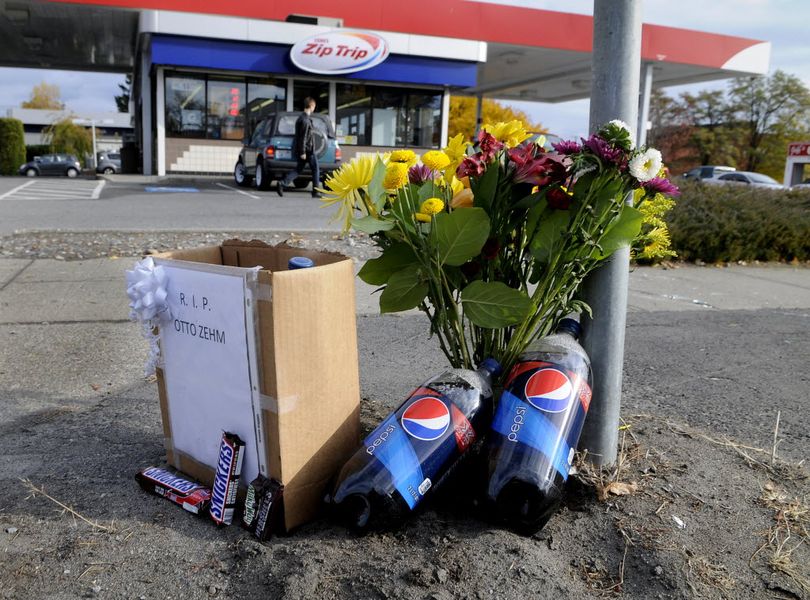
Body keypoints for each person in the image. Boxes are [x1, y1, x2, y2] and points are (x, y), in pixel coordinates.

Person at [277, 97, 321, 198]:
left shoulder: (302, 118)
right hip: (308, 150)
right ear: (311, 106)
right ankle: (316, 191)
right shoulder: (305, 120)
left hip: (305, 149)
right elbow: (303, 137)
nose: (314, 108)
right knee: (316, 169)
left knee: (298, 169)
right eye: (314, 106)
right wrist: (303, 152)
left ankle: (282, 183)